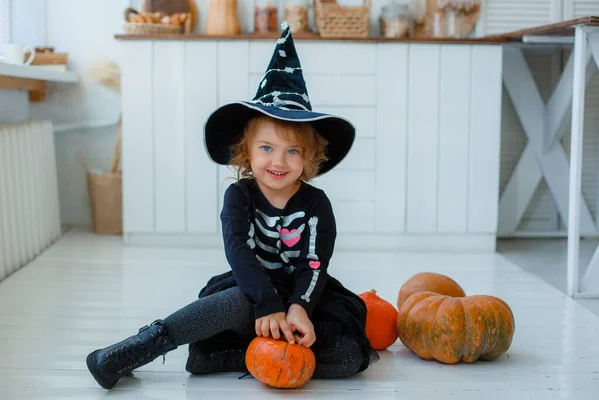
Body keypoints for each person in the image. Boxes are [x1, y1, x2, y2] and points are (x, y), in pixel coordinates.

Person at [86, 22, 379, 390]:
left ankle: (255, 352)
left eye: (293, 151)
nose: (279, 160)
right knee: (231, 303)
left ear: (310, 158)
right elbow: (238, 251)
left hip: (304, 295)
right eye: (267, 148)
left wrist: (298, 308)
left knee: (349, 356)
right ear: (247, 151)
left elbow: (315, 262)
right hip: (252, 290)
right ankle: (140, 347)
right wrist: (267, 303)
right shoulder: (239, 196)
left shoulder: (316, 204)